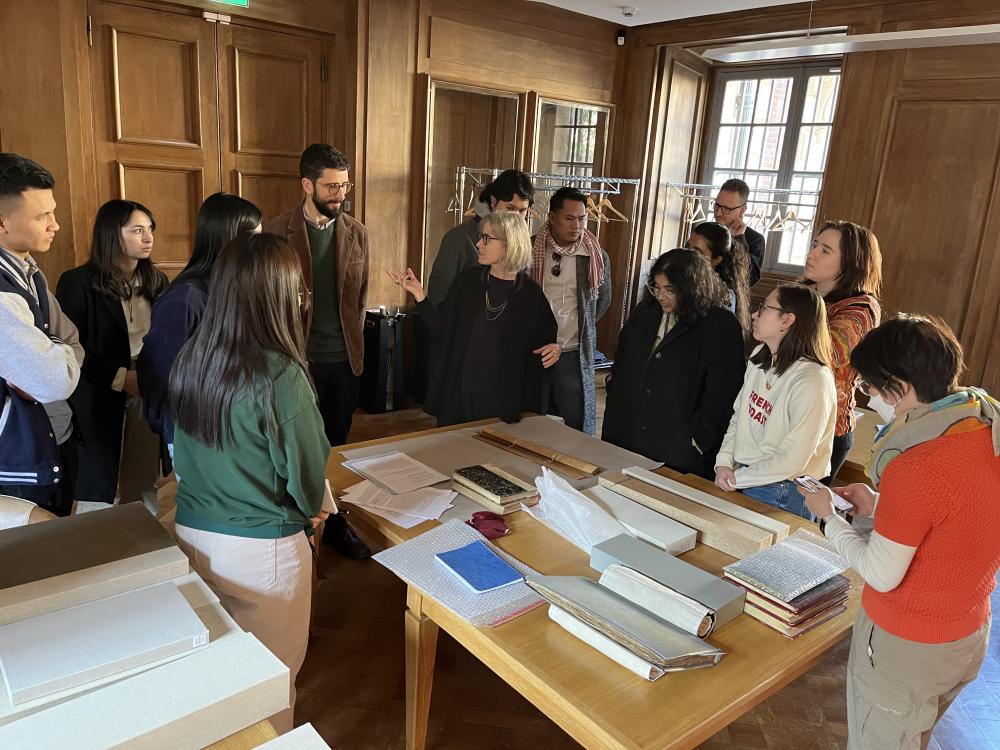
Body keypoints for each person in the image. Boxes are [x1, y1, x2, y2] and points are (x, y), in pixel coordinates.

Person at [798, 315, 1000, 750]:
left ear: (900, 387)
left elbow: (881, 573)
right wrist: (879, 505)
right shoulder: (983, 427)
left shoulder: (918, 464)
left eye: (870, 389)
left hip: (908, 645)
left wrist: (828, 518)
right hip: (966, 633)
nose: (868, 399)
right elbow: (956, 519)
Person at [169, 232, 331, 735]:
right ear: (281, 296)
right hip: (262, 549)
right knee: (271, 685)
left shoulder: (194, 356)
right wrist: (313, 510)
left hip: (192, 534)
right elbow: (306, 477)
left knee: (217, 678)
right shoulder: (281, 374)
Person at [263, 143, 369, 559]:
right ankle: (297, 528)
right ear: (307, 185)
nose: (340, 194)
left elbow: (359, 300)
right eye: (331, 186)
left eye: (344, 186)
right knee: (296, 448)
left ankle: (337, 526)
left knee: (335, 447)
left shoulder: (357, 233)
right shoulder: (276, 233)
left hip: (343, 360)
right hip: (294, 361)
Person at [391, 210, 559, 426]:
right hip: (460, 394)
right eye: (481, 237)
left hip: (504, 401)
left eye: (486, 239)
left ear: (509, 244)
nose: (479, 244)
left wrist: (555, 349)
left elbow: (544, 347)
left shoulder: (530, 294)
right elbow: (442, 329)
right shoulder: (467, 282)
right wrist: (420, 295)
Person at [57, 199, 166, 512]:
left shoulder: (157, 281)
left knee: (142, 478)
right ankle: (97, 541)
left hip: (146, 385)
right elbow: (70, 346)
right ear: (111, 233)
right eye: (137, 230)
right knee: (97, 482)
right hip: (97, 392)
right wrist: (121, 377)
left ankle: (142, 538)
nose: (148, 237)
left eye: (150, 229)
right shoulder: (77, 282)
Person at [137, 193, 262, 457]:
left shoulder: (232, 287)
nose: (259, 250)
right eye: (253, 240)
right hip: (194, 433)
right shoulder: (185, 299)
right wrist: (173, 432)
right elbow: (160, 374)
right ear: (229, 240)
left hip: (231, 424)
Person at [602, 249, 745, 476]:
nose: (661, 296)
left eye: (670, 290)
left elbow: (724, 392)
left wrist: (699, 440)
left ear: (692, 287)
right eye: (656, 287)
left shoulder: (719, 324)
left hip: (678, 446)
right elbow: (622, 359)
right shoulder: (646, 311)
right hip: (627, 432)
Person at [0, 153, 82, 516]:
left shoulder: (30, 273)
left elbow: (74, 342)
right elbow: (54, 381)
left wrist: (50, 351)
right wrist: (52, 358)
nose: (55, 225)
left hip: (51, 441)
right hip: (17, 460)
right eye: (42, 216)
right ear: (2, 222)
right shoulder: (4, 292)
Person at [714, 283, 836, 517]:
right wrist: (724, 463)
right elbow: (740, 417)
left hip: (783, 489)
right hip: (745, 475)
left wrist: (737, 478)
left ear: (786, 320)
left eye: (764, 308)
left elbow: (793, 460)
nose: (754, 314)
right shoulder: (759, 357)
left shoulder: (813, 380)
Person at [802, 220, 882, 482]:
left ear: (850, 263)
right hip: (789, 417)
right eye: (815, 245)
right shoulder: (805, 293)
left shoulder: (860, 309)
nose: (812, 253)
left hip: (827, 429)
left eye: (825, 250)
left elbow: (826, 355)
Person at [531, 186, 612, 434]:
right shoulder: (531, 248)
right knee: (531, 415)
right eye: (569, 218)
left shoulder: (595, 256)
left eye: (582, 218)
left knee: (576, 420)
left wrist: (581, 327)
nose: (577, 225)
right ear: (552, 217)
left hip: (573, 351)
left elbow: (601, 301)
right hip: (535, 349)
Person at [426, 169, 534, 305]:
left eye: (522, 211)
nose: (516, 217)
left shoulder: (522, 243)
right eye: (510, 208)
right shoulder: (459, 239)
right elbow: (439, 297)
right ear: (493, 202)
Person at [686, 220, 752, 336]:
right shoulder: (678, 280)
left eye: (697, 251)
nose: (688, 254)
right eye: (688, 247)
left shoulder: (725, 297)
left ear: (717, 260)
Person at [713, 178, 765, 286]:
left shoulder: (755, 240)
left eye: (726, 209)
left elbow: (749, 280)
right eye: (717, 206)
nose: (718, 213)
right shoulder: (705, 230)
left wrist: (739, 241)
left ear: (742, 210)